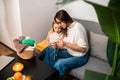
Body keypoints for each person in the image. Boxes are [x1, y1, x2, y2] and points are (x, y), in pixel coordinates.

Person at [38, 10, 89, 80]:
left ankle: (50, 75)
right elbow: (66, 45)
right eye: (57, 23)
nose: (59, 25)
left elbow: (83, 49)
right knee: (50, 48)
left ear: (65, 19)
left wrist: (65, 43)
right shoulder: (67, 28)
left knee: (59, 64)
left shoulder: (77, 28)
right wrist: (56, 45)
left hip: (81, 56)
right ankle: (45, 73)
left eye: (59, 22)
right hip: (70, 52)